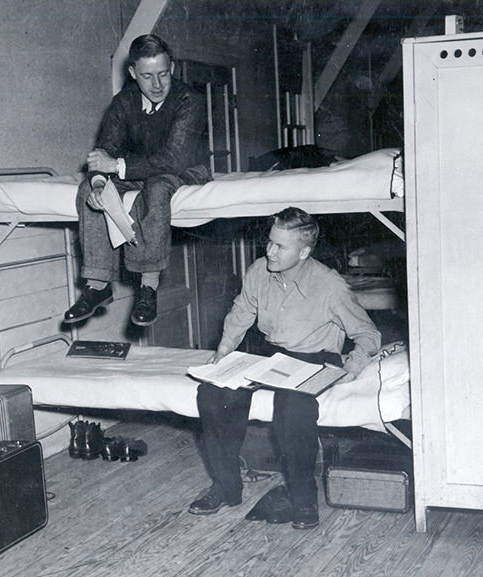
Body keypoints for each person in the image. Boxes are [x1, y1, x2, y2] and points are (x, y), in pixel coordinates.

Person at [188, 206, 381, 529]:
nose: (270, 251)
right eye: (269, 242)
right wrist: (223, 351)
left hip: (314, 357)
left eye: (280, 246)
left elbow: (368, 334)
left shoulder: (330, 286)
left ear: (304, 252)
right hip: (270, 355)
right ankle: (226, 487)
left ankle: (304, 500)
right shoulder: (258, 271)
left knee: (293, 409)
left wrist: (353, 365)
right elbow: (242, 312)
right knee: (212, 395)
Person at [65, 34, 209, 327]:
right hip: (136, 171)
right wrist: (99, 183)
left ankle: (148, 285)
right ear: (132, 73)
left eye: (163, 74)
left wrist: (115, 165)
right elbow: (105, 151)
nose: (156, 85)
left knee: (156, 189)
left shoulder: (188, 99)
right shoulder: (124, 101)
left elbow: (173, 160)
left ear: (172, 68)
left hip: (184, 170)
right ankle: (97, 285)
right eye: (147, 76)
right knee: (87, 191)